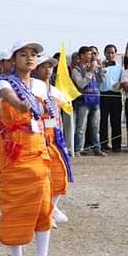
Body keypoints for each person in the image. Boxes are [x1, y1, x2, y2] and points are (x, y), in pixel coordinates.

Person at [0, 40, 64, 256]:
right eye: (23, 54)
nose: (30, 58)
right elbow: (9, 97)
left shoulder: (40, 86)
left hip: (39, 149)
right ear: (13, 60)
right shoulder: (4, 82)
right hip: (15, 151)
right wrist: (20, 104)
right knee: (17, 206)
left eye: (33, 54)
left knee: (44, 204)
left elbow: (47, 114)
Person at [33, 55, 74, 227]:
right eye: (43, 66)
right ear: (36, 69)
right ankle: (45, 212)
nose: (47, 69)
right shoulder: (33, 89)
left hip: (55, 136)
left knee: (60, 174)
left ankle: (53, 207)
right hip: (38, 137)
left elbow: (61, 113)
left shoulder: (56, 91)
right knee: (42, 177)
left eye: (50, 66)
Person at [71, 46, 106, 156]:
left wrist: (100, 69)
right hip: (83, 101)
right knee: (81, 127)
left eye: (93, 54)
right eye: (89, 54)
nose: (92, 56)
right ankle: (77, 149)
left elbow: (102, 81)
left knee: (95, 127)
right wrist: (90, 71)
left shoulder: (94, 67)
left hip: (95, 100)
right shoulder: (76, 70)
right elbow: (81, 84)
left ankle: (97, 148)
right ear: (81, 55)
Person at [98, 44, 123, 152]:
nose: (110, 54)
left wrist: (120, 84)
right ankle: (104, 144)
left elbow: (123, 80)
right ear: (104, 53)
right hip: (103, 95)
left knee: (116, 121)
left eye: (112, 52)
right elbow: (99, 80)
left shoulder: (120, 67)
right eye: (108, 52)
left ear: (115, 54)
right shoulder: (100, 66)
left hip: (116, 95)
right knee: (103, 121)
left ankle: (117, 146)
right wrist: (102, 69)